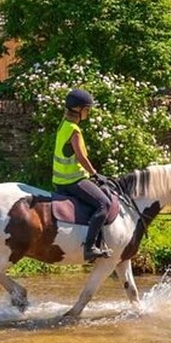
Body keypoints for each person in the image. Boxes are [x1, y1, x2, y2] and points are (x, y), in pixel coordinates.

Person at [53, 88, 113, 262]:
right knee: (104, 204)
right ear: (78, 109)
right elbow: (81, 157)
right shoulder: (74, 130)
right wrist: (95, 174)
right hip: (72, 180)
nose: (89, 111)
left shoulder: (63, 125)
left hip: (59, 180)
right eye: (87, 108)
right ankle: (90, 247)